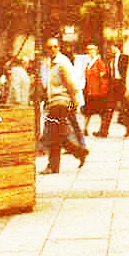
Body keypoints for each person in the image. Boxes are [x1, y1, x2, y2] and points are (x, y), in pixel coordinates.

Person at [41, 36, 88, 173]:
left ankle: (53, 166)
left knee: (53, 135)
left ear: (59, 47)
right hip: (54, 102)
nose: (53, 49)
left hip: (61, 101)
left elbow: (72, 84)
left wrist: (74, 102)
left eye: (55, 46)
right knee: (57, 135)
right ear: (46, 49)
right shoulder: (51, 63)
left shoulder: (62, 62)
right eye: (50, 47)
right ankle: (79, 152)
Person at [97, 42, 124, 137]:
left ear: (117, 47)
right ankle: (103, 131)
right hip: (113, 85)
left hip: (122, 85)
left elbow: (127, 71)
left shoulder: (124, 57)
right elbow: (110, 72)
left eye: (113, 48)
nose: (111, 50)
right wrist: (103, 75)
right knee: (109, 108)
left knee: (126, 108)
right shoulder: (111, 58)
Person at [82, 44, 108, 136]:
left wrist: (103, 91)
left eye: (93, 51)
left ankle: (102, 129)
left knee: (101, 112)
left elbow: (103, 78)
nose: (91, 52)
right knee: (87, 112)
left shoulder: (100, 62)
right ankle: (85, 129)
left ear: (96, 51)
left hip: (98, 92)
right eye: (89, 51)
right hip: (89, 91)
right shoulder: (89, 63)